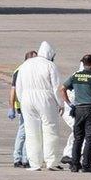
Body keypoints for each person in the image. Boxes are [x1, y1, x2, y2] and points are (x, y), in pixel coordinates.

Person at [14, 41, 64, 171]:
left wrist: (21, 100)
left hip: (26, 98)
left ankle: (35, 163)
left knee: (31, 132)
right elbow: (57, 87)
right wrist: (61, 103)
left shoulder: (25, 65)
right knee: (50, 129)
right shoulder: (50, 65)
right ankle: (51, 162)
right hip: (45, 98)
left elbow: (18, 86)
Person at [59, 54, 91, 173]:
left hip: (78, 110)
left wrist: (69, 103)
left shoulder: (75, 75)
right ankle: (86, 165)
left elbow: (62, 88)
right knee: (90, 138)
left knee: (78, 138)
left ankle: (75, 165)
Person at [8, 50, 37, 168]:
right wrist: (11, 107)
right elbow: (13, 90)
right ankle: (19, 157)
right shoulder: (20, 71)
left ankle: (23, 157)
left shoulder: (28, 69)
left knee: (27, 132)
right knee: (24, 132)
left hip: (29, 104)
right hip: (23, 105)